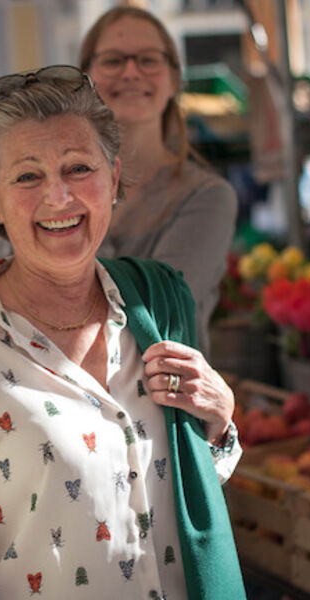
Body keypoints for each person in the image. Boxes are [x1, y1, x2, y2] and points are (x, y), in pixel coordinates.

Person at [0, 66, 245, 600]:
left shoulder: (155, 307)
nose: (59, 197)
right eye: (27, 177)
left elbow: (172, 498)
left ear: (113, 178)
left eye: (78, 168)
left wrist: (220, 426)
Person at [80, 6, 238, 358]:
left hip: (163, 390)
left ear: (174, 79)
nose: (131, 72)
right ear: (86, 77)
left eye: (148, 60)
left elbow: (156, 312)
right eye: (113, 61)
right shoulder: (64, 191)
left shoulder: (208, 197)